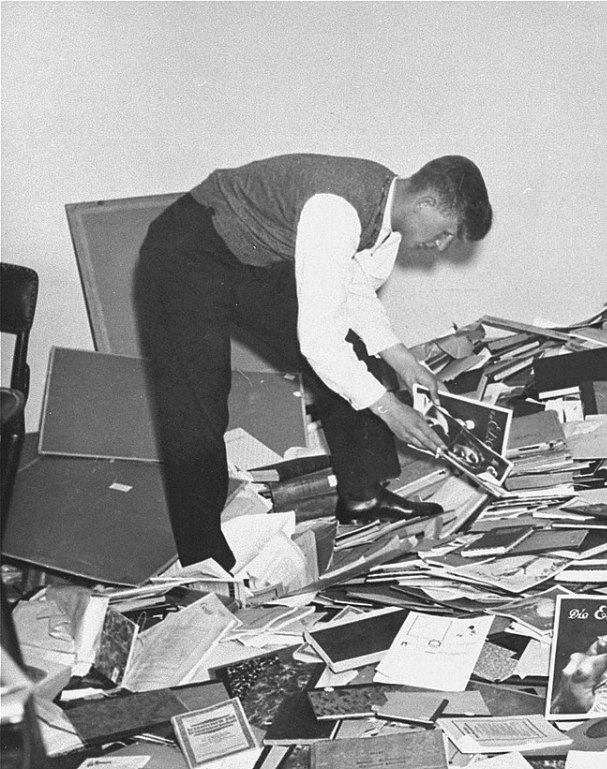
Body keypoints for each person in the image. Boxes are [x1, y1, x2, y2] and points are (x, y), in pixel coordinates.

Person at [136, 153, 492, 571]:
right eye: (446, 232)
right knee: (197, 406)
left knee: (355, 351)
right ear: (426, 204)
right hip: (187, 252)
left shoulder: (387, 211)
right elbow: (319, 343)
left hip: (248, 257)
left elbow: (350, 287)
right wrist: (388, 407)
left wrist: (401, 359)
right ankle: (204, 561)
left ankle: (363, 496)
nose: (443, 246)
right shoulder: (337, 210)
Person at [550, 634, 607, 715]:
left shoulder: (601, 661)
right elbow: (562, 686)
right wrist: (552, 707)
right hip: (565, 707)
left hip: (585, 710)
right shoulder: (575, 656)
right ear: (600, 636)